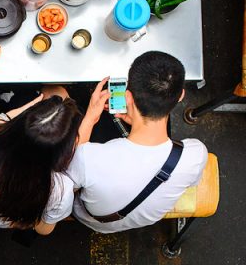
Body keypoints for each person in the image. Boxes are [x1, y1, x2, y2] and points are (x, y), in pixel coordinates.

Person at [71, 51, 209, 233]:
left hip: (90, 218)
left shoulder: (89, 157)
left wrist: (89, 117)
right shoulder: (196, 154)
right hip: (139, 220)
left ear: (128, 96)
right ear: (181, 95)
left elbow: (70, 180)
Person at [0, 87, 82, 234]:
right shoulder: (58, 190)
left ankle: (0, 95)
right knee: (35, 94)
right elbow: (43, 230)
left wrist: (26, 111)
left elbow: (0, 125)